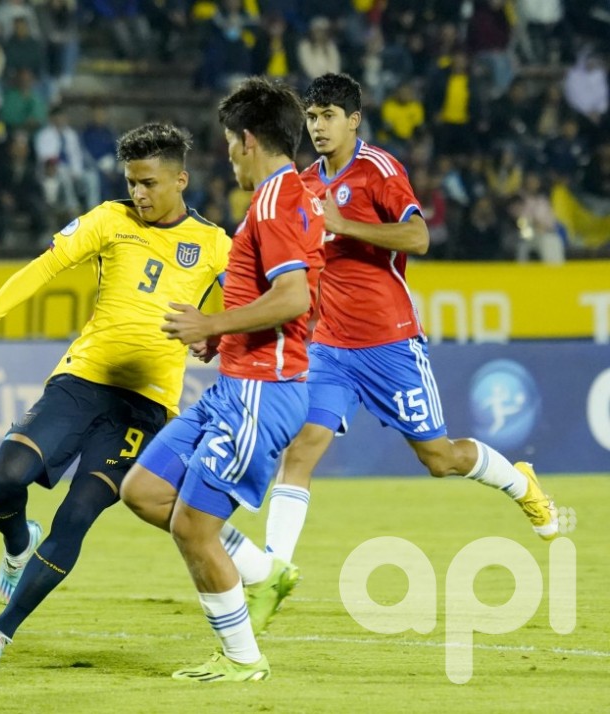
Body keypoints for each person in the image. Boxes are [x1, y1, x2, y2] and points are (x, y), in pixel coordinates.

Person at [219, 74, 560, 631]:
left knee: (439, 458)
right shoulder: (302, 182)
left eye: (329, 115)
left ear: (354, 120)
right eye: (312, 116)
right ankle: (273, 578)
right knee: (301, 450)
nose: (318, 125)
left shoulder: (379, 170)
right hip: (328, 345)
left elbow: (419, 238)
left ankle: (520, 482)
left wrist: (343, 225)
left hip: (390, 343)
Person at [0, 122, 231, 669]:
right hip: (82, 381)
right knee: (5, 479)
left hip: (144, 407)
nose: (139, 193)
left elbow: (251, 307)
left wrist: (218, 331)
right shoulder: (108, 219)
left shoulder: (216, 245)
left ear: (180, 180)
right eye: (131, 181)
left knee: (77, 514)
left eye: (148, 182)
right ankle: (14, 544)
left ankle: (0, 632)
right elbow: (45, 266)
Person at [120, 77, 325, 682]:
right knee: (145, 490)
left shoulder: (275, 202)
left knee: (191, 526)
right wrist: (224, 334)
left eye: (228, 144)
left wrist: (213, 320)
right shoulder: (282, 198)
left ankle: (242, 658)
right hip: (236, 381)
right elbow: (273, 297)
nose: (227, 156)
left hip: (262, 392)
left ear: (246, 139)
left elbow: (293, 297)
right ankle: (265, 571)